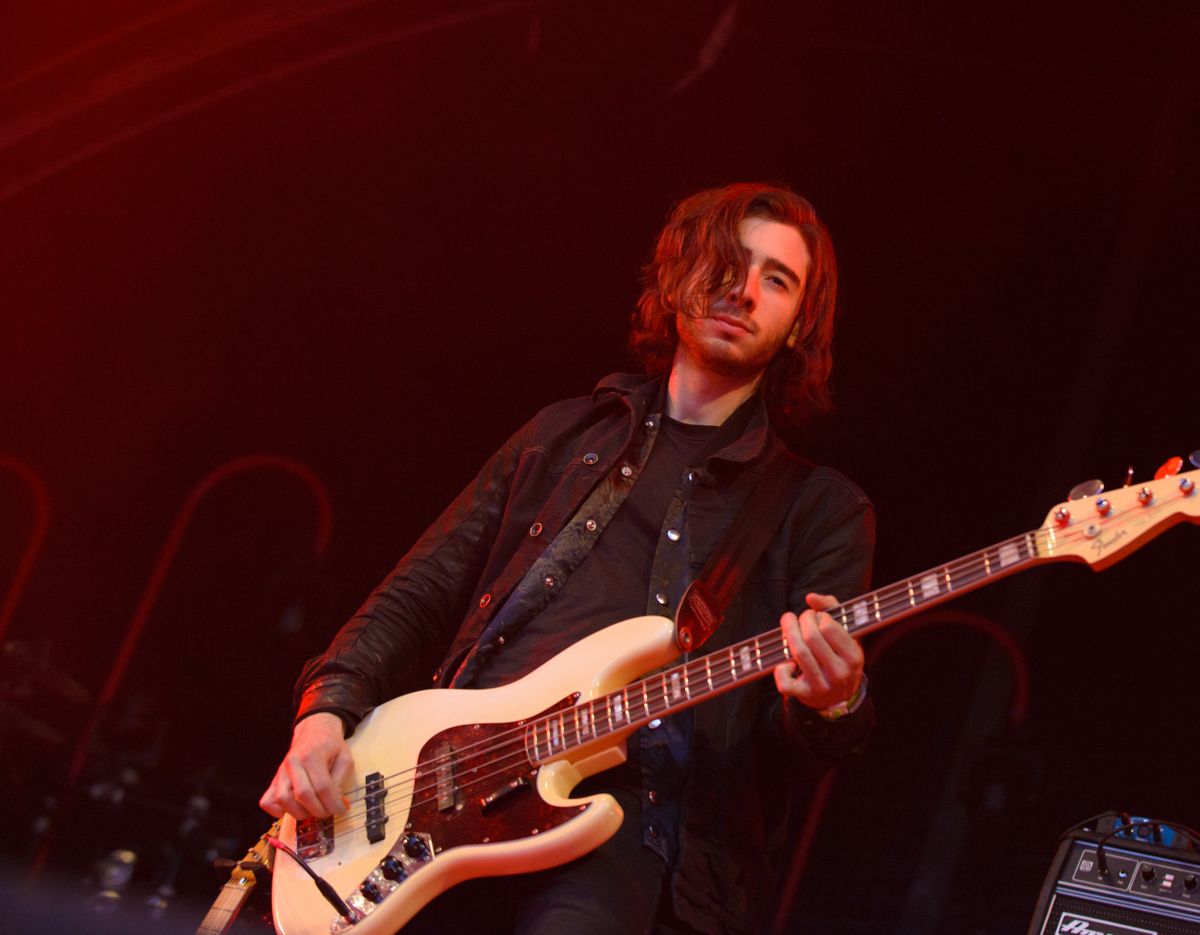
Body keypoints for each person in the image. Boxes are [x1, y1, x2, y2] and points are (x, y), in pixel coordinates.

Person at [259, 182, 877, 934]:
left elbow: (792, 755)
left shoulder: (817, 509)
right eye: (726, 260)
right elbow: (420, 589)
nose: (743, 290)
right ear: (677, 273)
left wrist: (832, 702)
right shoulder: (563, 436)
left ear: (796, 328)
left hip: (630, 832)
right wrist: (324, 716)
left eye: (777, 280)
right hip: (439, 799)